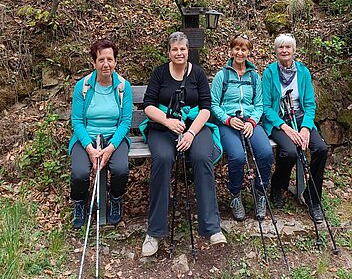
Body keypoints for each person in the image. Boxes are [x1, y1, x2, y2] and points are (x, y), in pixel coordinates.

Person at [141, 31, 226, 257]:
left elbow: (206, 108)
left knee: (201, 157)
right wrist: (168, 122)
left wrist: (190, 133)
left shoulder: (197, 73)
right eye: (175, 49)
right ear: (169, 52)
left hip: (194, 127)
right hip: (163, 127)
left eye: (183, 49)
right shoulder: (159, 73)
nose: (179, 53)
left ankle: (211, 226)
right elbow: (148, 106)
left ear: (188, 51)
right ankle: (155, 231)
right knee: (163, 159)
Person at [262, 33, 328, 223]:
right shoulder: (269, 72)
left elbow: (309, 104)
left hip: (299, 118)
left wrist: (306, 128)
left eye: (287, 47)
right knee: (290, 152)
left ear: (293, 50)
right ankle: (277, 185)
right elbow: (266, 107)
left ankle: (312, 197)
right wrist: (287, 129)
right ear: (276, 51)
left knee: (321, 149)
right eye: (280, 48)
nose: (284, 51)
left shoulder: (303, 72)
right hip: (278, 121)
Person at [68, 39, 132, 228]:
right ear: (94, 62)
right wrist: (89, 148)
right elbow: (77, 121)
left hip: (114, 138)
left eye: (110, 59)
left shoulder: (122, 86)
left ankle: (115, 200)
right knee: (79, 173)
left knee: (121, 170)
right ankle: (80, 203)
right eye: (101, 60)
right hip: (86, 137)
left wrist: (110, 148)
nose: (106, 64)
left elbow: (126, 121)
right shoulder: (83, 86)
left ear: (115, 62)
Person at [211, 34, 273, 221]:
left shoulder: (254, 77)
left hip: (250, 123)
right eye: (236, 49)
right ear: (231, 50)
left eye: (243, 49)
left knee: (266, 152)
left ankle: (260, 193)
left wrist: (252, 122)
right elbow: (214, 104)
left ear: (249, 52)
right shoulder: (222, 76)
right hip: (227, 123)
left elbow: (260, 104)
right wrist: (228, 120)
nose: (240, 52)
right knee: (237, 156)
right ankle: (235, 195)